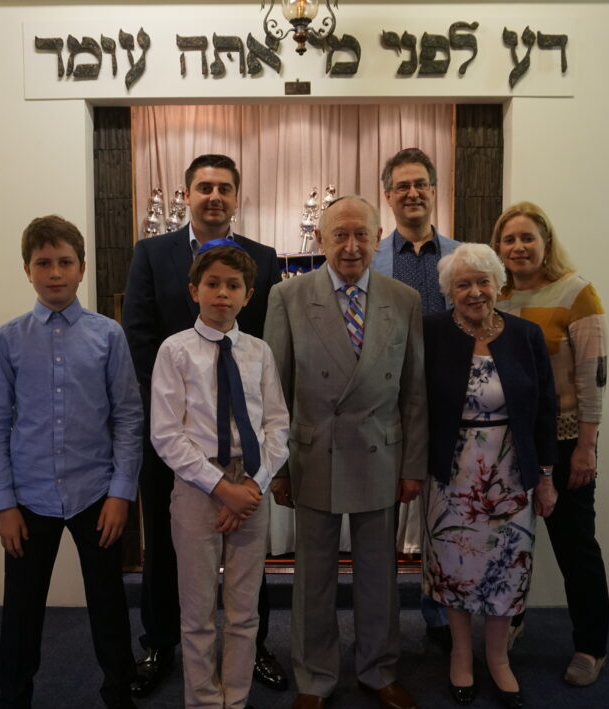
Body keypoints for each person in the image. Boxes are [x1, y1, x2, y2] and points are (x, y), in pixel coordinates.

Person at [122, 154, 286, 696]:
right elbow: (140, 338)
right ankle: (161, 643)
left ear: (237, 196)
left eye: (225, 188)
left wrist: (252, 483)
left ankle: (250, 656)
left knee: (245, 590)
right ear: (187, 194)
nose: (214, 196)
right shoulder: (152, 253)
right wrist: (184, 408)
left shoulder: (261, 258)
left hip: (249, 461)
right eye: (204, 187)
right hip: (181, 442)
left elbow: (265, 367)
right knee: (174, 564)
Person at [265, 195, 427, 709]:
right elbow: (276, 393)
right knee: (313, 576)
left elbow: (414, 391)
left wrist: (413, 465)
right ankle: (314, 677)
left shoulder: (403, 300)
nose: (352, 246)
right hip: (314, 454)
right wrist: (280, 467)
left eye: (362, 235)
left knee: (379, 575)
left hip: (380, 453)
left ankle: (379, 670)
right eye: (341, 235)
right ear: (321, 239)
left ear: (378, 240)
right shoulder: (287, 297)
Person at [0, 215, 143, 709]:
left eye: (65, 262)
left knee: (108, 605)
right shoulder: (8, 339)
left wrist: (121, 493)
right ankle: (14, 697)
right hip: (28, 500)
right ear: (27, 271)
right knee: (22, 610)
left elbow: (129, 419)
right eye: (43, 263)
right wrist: (2, 503)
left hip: (96, 495)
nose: (55, 273)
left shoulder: (108, 335)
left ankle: (119, 692)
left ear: (83, 268)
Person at [151, 240, 290, 709]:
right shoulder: (175, 351)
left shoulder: (259, 352)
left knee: (243, 609)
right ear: (194, 290)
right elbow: (166, 434)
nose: (223, 294)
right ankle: (204, 701)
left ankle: (236, 698)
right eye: (213, 284)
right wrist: (220, 489)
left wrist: (251, 487)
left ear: (249, 295)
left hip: (251, 483)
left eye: (234, 286)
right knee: (196, 612)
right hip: (198, 485)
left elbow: (277, 425)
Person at [421, 243, 557, 708]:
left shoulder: (526, 335)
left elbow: (546, 409)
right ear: (449, 292)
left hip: (511, 472)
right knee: (456, 564)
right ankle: (461, 653)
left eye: (483, 281)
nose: (475, 292)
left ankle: (498, 659)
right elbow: (415, 404)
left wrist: (545, 475)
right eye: (463, 284)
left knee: (508, 566)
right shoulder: (432, 332)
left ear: (498, 285)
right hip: (452, 475)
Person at [490, 201, 609, 687]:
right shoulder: (494, 296)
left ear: (546, 243)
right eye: (509, 240)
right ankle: (510, 623)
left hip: (562, 445)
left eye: (527, 238)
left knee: (575, 547)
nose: (518, 247)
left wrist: (586, 446)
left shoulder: (577, 293)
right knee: (509, 546)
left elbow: (593, 378)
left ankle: (591, 646)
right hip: (506, 445)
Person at [375, 147, 460, 651]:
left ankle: (441, 616)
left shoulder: (463, 255)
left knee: (445, 518)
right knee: (382, 519)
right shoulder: (372, 259)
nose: (412, 193)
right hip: (388, 404)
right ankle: (381, 624)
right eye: (402, 185)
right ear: (388, 196)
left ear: (434, 190)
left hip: (451, 404)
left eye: (421, 184)